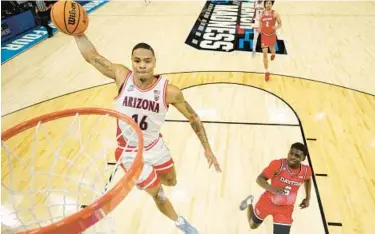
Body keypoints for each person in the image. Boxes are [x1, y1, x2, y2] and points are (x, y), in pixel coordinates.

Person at [73, 34, 222, 234]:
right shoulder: (121, 76)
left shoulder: (170, 91)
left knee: (171, 181)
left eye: (147, 61)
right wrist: (78, 33)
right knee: (159, 194)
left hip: (154, 146)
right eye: (137, 60)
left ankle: (146, 180)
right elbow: (92, 56)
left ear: (154, 63)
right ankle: (180, 223)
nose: (142, 65)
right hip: (129, 152)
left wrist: (207, 149)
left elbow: (193, 118)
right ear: (131, 62)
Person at [239, 142, 312, 234]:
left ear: (303, 158)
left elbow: (308, 179)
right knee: (252, 226)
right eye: (291, 153)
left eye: (297, 156)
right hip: (267, 202)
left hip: (285, 209)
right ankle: (249, 202)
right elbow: (259, 178)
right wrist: (271, 188)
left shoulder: (306, 171)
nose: (292, 157)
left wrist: (307, 198)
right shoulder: (278, 165)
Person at [259, 0, 282, 81]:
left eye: (269, 3)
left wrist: (276, 27)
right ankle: (266, 72)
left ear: (272, 4)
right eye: (266, 3)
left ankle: (273, 54)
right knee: (264, 54)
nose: (268, 5)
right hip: (264, 36)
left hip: (272, 35)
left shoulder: (275, 13)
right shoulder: (261, 14)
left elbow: (280, 24)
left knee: (272, 49)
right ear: (264, 4)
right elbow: (260, 23)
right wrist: (259, 30)